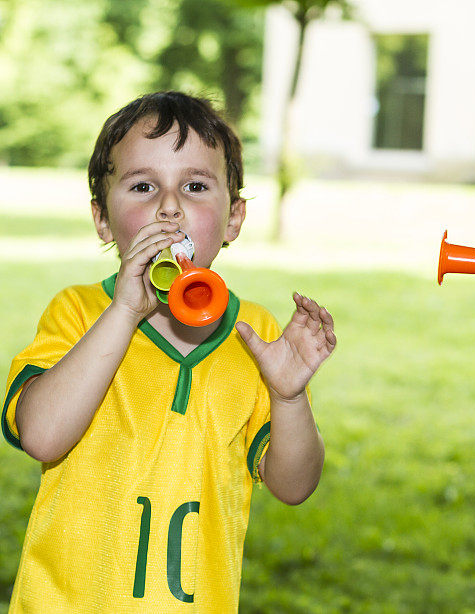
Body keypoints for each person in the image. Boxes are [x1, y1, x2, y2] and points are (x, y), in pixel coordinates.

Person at [2, 91, 336, 611]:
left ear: (234, 219)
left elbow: (294, 486)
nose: (169, 207)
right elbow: (42, 436)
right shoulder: (79, 312)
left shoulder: (257, 334)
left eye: (196, 186)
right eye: (142, 186)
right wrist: (124, 312)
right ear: (103, 221)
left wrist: (290, 399)